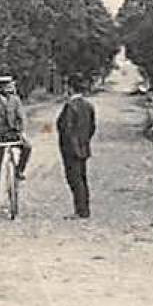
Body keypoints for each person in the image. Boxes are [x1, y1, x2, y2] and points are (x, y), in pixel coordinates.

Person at [0, 75, 31, 217]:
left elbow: (21, 118)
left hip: (12, 133)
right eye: (6, 86)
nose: (9, 88)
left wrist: (22, 133)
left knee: (27, 147)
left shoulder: (15, 100)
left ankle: (19, 171)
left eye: (10, 85)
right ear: (0, 88)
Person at [55, 81, 97, 219]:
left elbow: (66, 129)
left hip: (70, 149)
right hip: (83, 147)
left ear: (70, 88)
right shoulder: (89, 106)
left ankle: (80, 211)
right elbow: (92, 128)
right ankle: (85, 210)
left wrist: (70, 145)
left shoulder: (70, 106)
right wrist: (84, 141)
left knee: (74, 179)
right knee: (83, 179)